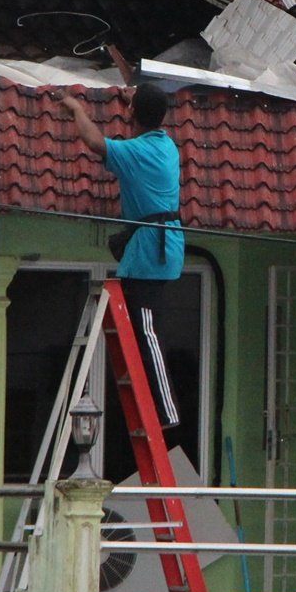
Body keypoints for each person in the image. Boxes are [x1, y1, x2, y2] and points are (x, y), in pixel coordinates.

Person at [58, 49, 188, 454]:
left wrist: (77, 108)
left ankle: (166, 410)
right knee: (139, 327)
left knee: (147, 331)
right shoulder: (163, 144)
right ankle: (156, 402)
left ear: (135, 116)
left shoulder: (138, 153)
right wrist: (132, 100)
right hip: (156, 247)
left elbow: (95, 141)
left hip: (153, 251)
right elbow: (139, 117)